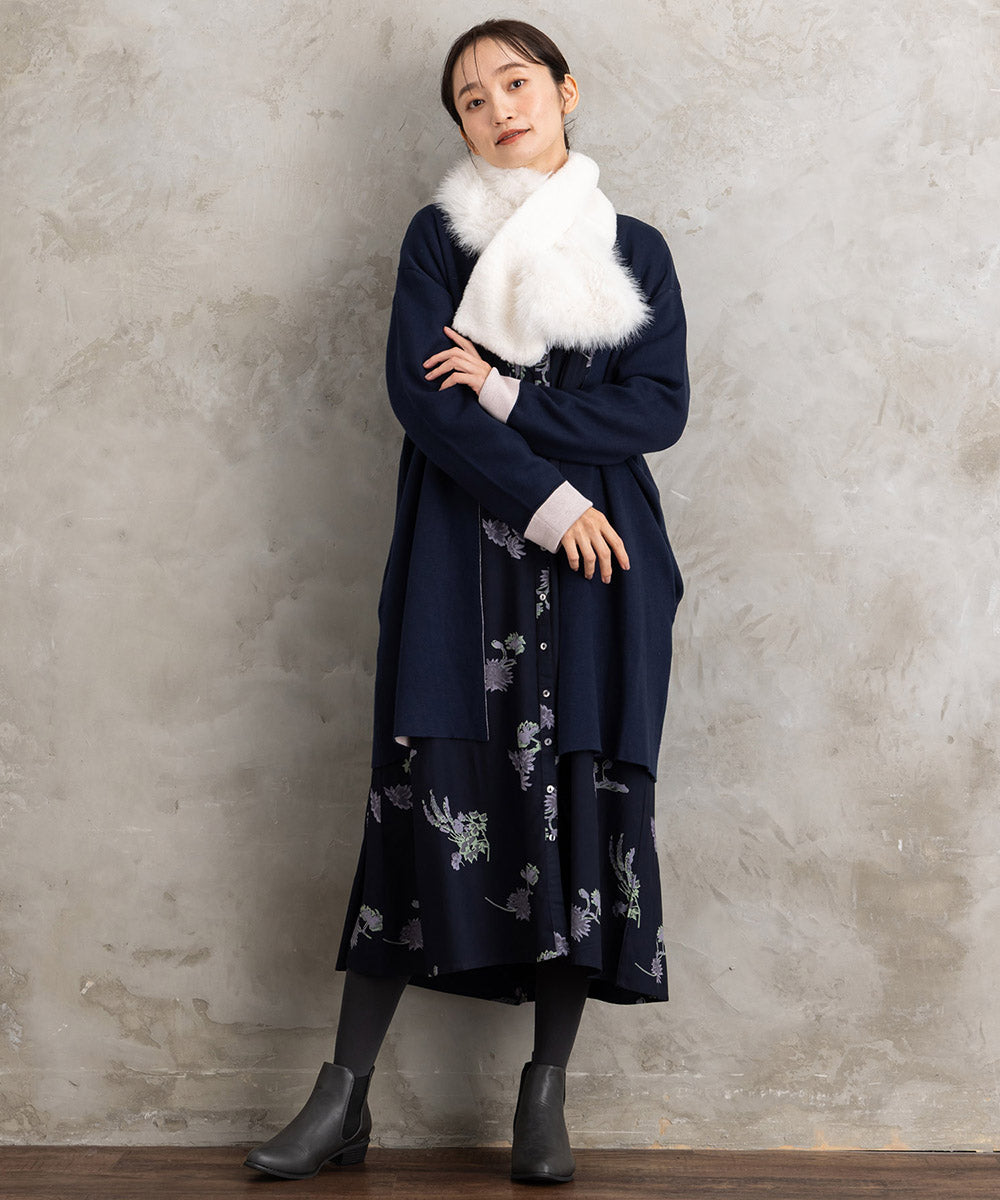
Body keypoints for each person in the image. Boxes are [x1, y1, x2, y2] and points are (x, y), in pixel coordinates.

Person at [243, 18, 689, 1185]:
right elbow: (421, 395)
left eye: (516, 82)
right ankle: (343, 1098)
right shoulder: (439, 238)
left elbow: (656, 409)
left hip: (602, 568)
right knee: (420, 796)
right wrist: (547, 496)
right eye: (472, 98)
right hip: (469, 553)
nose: (498, 108)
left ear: (565, 91)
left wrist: (505, 393)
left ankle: (543, 1098)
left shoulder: (634, 247)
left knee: (578, 805)